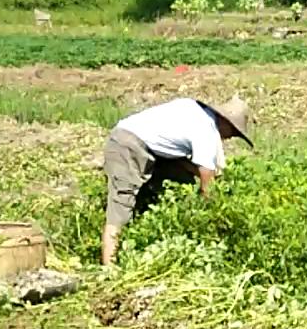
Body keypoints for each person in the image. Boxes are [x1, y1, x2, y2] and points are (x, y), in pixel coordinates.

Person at [101, 95, 254, 266]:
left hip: (137, 142)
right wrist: (210, 216)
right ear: (226, 122)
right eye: (233, 132)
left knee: (180, 181)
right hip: (129, 146)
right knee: (121, 204)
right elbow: (207, 185)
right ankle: (109, 268)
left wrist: (199, 174)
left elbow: (171, 151)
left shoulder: (190, 107)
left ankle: (143, 235)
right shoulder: (207, 131)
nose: (231, 137)